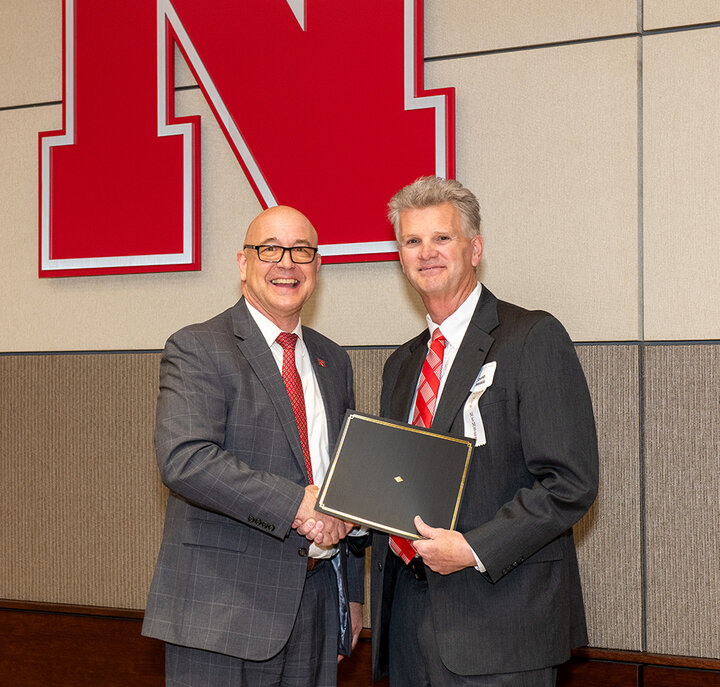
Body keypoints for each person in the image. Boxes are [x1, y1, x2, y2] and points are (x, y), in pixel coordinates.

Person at [370, 177, 599, 687]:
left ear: (475, 249)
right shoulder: (402, 364)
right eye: (412, 241)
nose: (426, 252)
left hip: (502, 622)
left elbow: (570, 483)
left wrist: (473, 549)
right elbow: (397, 484)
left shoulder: (532, 338)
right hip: (408, 623)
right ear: (401, 258)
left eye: (442, 238)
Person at [142, 205, 364, 687]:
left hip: (319, 605)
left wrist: (354, 594)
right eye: (270, 249)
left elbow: (346, 477)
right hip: (222, 612)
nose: (287, 263)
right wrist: (296, 504)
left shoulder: (333, 360)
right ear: (243, 263)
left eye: (301, 251)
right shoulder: (198, 346)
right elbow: (185, 459)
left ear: (317, 267)